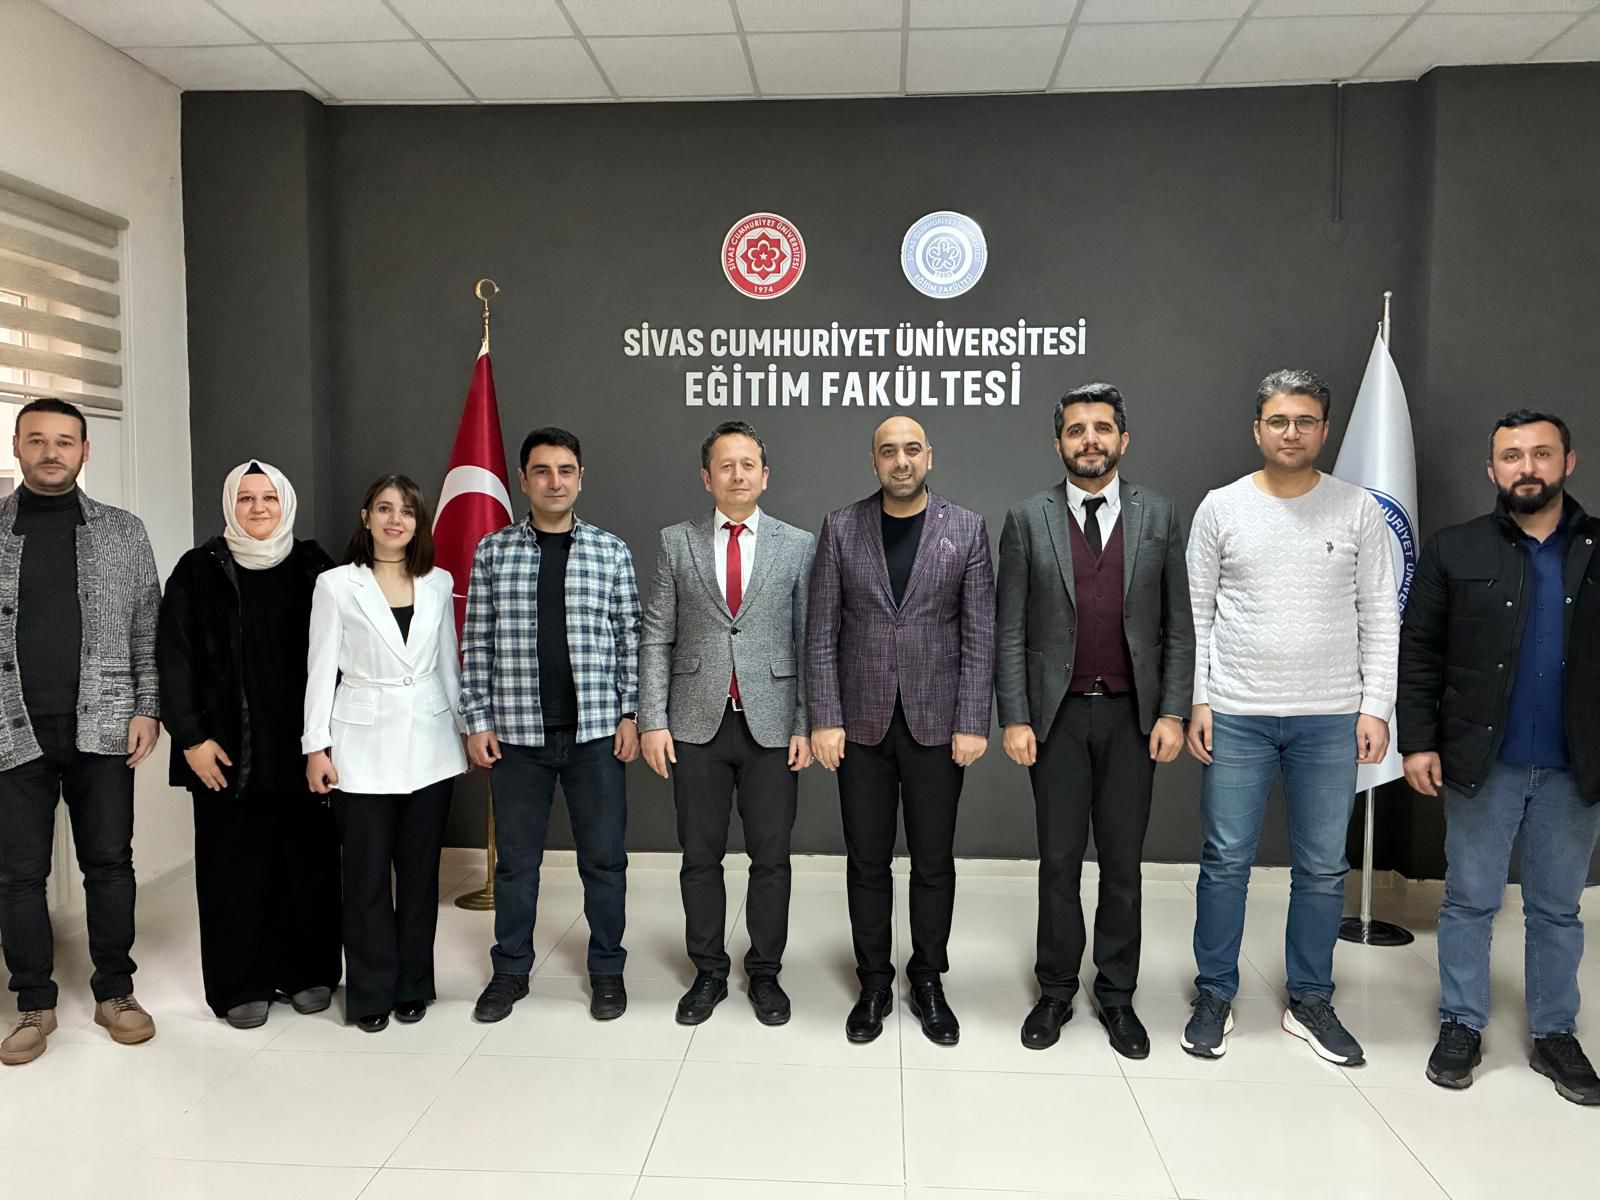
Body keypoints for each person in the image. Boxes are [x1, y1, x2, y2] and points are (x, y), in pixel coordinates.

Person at [1182, 369, 1398, 1067]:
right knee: (1225, 862)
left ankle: (1310, 999)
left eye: (1305, 420)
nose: (1292, 432)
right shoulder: (1220, 507)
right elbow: (1196, 614)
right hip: (1237, 712)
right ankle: (1214, 993)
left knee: (1323, 869)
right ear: (1257, 429)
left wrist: (1376, 707)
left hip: (1330, 717)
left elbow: (1381, 614)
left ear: (1324, 430)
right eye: (1278, 420)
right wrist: (1199, 699)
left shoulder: (1358, 509)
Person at [1399, 410, 1600, 1104]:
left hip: (1575, 766)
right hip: (1483, 762)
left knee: (1557, 908)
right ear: (1492, 470)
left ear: (1568, 462)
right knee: (1470, 900)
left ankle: (1554, 1033)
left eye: (1541, 453)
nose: (1527, 467)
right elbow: (1419, 654)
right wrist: (1418, 741)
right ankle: (1461, 1021)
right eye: (1512, 456)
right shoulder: (1454, 550)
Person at [996, 383, 1194, 1058]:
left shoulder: (1159, 513)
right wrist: (1014, 716)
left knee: (1122, 863)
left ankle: (1116, 995)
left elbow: (1178, 626)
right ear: (1058, 442)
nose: (1090, 440)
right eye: (1076, 430)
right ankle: (1055, 989)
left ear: (1123, 439)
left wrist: (1172, 710)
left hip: (1133, 720)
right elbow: (1010, 628)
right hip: (1055, 720)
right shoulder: (1027, 518)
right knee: (1058, 861)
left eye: (1102, 428)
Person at [806, 416, 995, 1046]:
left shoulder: (966, 528)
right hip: (858, 725)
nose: (901, 460)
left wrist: (972, 720)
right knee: (867, 860)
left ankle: (928, 979)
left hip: (938, 724)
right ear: (874, 462)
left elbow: (980, 633)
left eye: (912, 449)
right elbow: (821, 632)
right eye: (888, 451)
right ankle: (873, 981)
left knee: (934, 861)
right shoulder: (840, 527)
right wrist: (825, 717)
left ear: (929, 457)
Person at [461, 428, 641, 1024]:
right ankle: (510, 971)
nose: (554, 481)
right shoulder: (493, 552)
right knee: (516, 866)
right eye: (542, 471)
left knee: (605, 861)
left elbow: (630, 639)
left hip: (596, 735)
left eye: (565, 470)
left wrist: (631, 713)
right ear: (523, 480)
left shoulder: (610, 551)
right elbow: (476, 641)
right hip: (517, 737)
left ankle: (607, 970)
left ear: (581, 478)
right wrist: (477, 720)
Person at [0, 398, 160, 1065]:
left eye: (64, 441)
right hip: (12, 731)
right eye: (37, 439)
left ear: (84, 451)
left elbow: (147, 625)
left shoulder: (123, 532)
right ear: (16, 446)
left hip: (104, 725)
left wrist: (149, 706)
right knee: (18, 874)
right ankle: (34, 1003)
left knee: (110, 863)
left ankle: (115, 991)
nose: (51, 452)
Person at [639, 421, 815, 1026]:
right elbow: (656, 636)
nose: (737, 475)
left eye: (747, 465)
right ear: (706, 477)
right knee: (699, 855)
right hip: (694, 724)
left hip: (773, 724)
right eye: (725, 465)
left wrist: (804, 722)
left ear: (765, 476)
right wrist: (652, 719)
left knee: (772, 858)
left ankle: (765, 972)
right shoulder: (675, 542)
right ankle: (709, 971)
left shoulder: (798, 544)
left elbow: (808, 640)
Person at [156, 460, 340, 1030]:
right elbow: (173, 656)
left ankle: (308, 971)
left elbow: (346, 656)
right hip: (224, 751)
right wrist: (191, 738)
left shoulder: (316, 566)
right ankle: (240, 983)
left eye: (269, 498)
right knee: (233, 870)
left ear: (286, 503)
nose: (258, 508)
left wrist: (331, 739)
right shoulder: (198, 569)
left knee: (306, 864)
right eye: (245, 498)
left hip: (304, 746)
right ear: (229, 505)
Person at [304, 475, 468, 1032]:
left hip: (431, 745)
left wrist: (466, 731)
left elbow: (447, 663)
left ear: (419, 522)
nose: (395, 520)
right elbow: (320, 671)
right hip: (360, 747)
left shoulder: (439, 582)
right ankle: (371, 992)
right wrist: (315, 746)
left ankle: (413, 985)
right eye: (384, 509)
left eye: (407, 512)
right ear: (366, 516)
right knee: (366, 878)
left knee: (420, 877)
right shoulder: (335, 585)